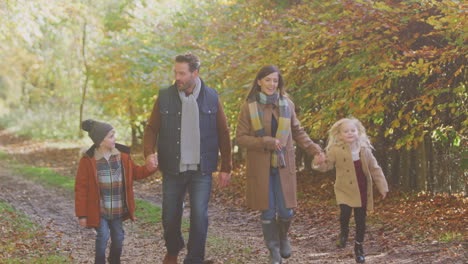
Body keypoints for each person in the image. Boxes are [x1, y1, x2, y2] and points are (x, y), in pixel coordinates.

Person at [143, 53, 232, 264]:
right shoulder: (165, 96)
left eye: (182, 73)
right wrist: (149, 153)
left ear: (195, 73)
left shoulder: (212, 96)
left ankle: (194, 259)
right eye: (176, 72)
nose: (177, 77)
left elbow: (224, 132)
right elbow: (151, 128)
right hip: (173, 168)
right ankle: (173, 250)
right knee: (169, 216)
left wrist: (226, 166)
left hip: (201, 170)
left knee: (199, 217)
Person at [236, 65, 325, 264]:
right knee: (267, 211)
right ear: (259, 82)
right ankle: (273, 250)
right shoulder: (249, 107)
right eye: (267, 80)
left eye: (275, 81)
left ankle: (283, 237)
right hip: (260, 168)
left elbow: (299, 132)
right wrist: (265, 142)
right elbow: (240, 138)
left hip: (284, 167)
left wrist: (316, 151)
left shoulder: (287, 104)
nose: (271, 84)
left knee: (286, 211)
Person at [75, 119, 158, 264]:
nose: (115, 138)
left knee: (118, 237)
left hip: (118, 209)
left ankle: (114, 260)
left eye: (114, 135)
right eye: (111, 136)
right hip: (99, 209)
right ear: (100, 140)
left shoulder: (122, 157)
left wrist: (150, 168)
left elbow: (136, 173)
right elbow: (81, 188)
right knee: (103, 235)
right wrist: (82, 214)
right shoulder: (88, 161)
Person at [312, 117, 389, 263]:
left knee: (361, 219)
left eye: (353, 130)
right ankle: (344, 232)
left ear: (358, 132)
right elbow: (326, 166)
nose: (350, 133)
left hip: (361, 189)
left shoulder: (364, 150)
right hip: (343, 188)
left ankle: (358, 247)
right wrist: (318, 163)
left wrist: (382, 187)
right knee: (345, 214)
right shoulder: (335, 150)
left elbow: (375, 168)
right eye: (346, 131)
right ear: (340, 134)